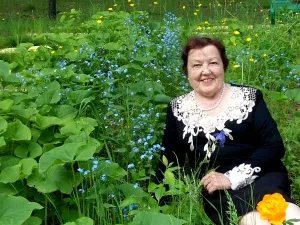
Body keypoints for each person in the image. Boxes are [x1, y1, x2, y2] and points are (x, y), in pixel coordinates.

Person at [154, 36, 300, 225]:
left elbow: (273, 146)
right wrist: (155, 202)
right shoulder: (177, 108)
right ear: (187, 71)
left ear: (224, 66)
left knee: (290, 217)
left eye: (213, 63)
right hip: (217, 188)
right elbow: (170, 160)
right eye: (196, 65)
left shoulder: (249, 98)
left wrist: (232, 177)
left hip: (262, 175)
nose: (206, 71)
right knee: (256, 221)